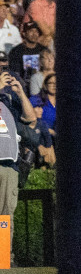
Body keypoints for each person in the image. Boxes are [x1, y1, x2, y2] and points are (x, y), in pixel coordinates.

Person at [0, 71, 36, 223]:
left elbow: (30, 118)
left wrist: (20, 93)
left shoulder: (7, 100)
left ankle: (3, 248)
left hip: (9, 166)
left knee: (4, 219)